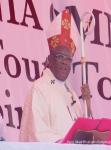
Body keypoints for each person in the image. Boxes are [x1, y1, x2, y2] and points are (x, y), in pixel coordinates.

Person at [19, 9, 92, 143]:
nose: (65, 62)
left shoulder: (71, 93)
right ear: (49, 59)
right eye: (60, 56)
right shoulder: (39, 89)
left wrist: (88, 104)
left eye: (69, 59)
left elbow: (85, 134)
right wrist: (67, 143)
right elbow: (35, 134)